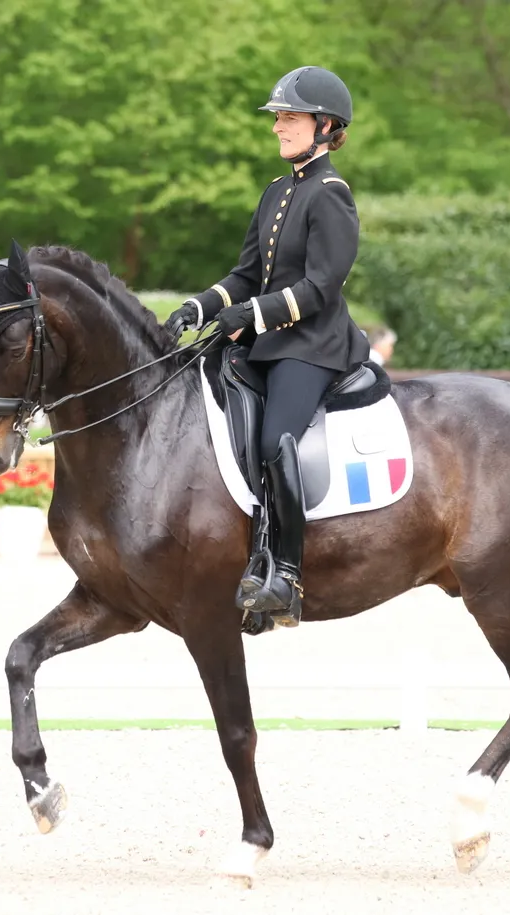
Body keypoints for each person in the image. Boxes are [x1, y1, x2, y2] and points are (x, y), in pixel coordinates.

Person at [163, 65, 369, 629]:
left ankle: (287, 574)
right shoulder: (278, 191)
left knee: (277, 440)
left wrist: (248, 316)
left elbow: (320, 286)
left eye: (290, 117)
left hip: (313, 346)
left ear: (325, 126)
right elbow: (248, 273)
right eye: (277, 117)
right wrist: (201, 306)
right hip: (267, 343)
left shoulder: (331, 195)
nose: (279, 126)